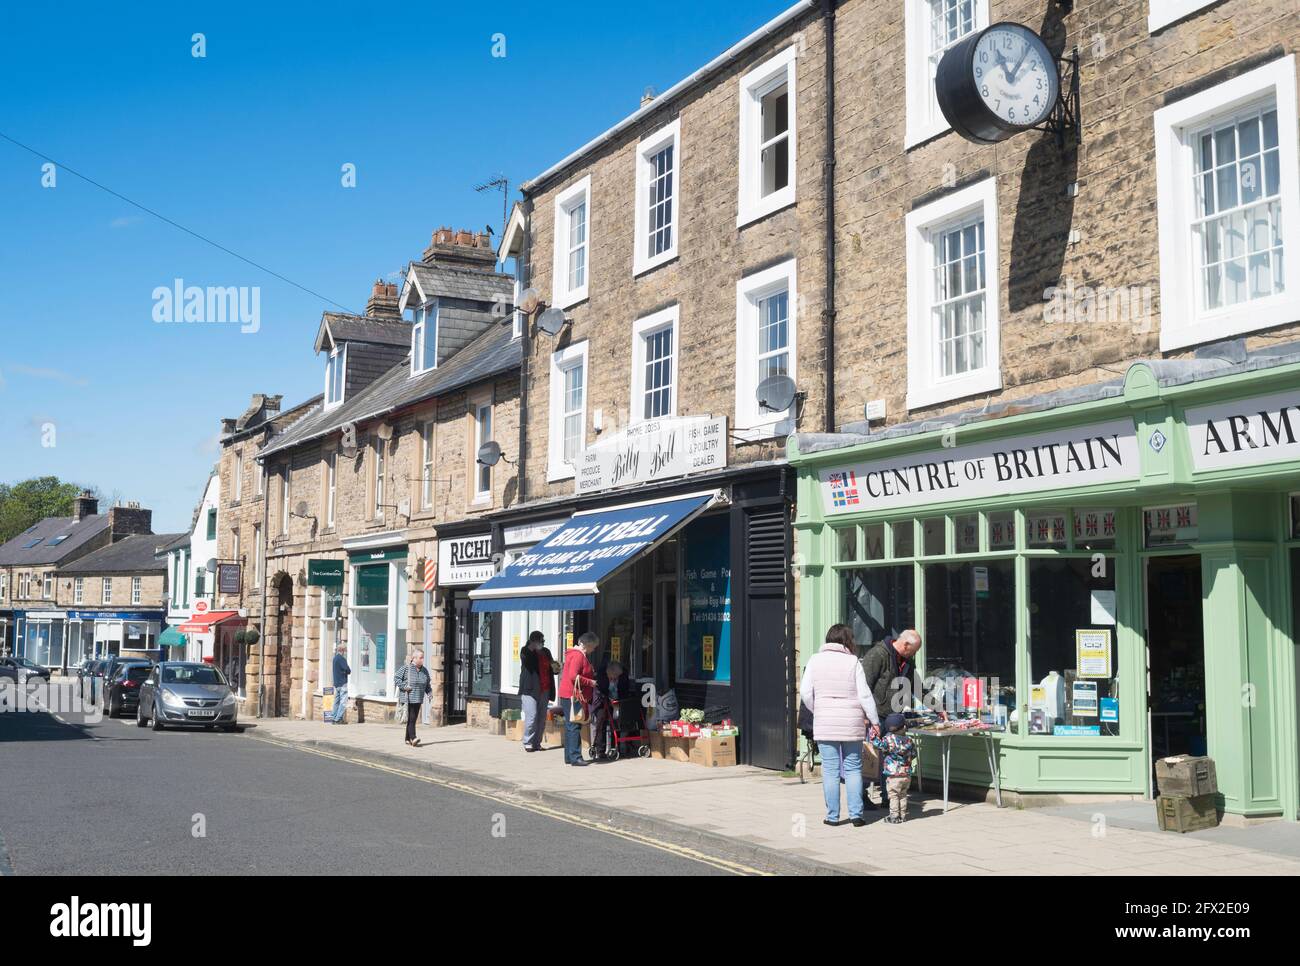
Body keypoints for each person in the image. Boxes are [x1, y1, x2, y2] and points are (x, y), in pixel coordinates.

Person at [799, 623, 881, 827]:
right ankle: (856, 815)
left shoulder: (815, 660)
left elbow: (805, 693)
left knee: (831, 770)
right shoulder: (853, 662)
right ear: (847, 641)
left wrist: (818, 708)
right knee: (853, 769)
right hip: (851, 723)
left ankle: (832, 817)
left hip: (825, 722)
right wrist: (874, 720)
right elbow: (864, 694)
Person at [860, 629, 922, 810]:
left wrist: (938, 707)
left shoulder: (907, 661)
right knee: (871, 757)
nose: (915, 654)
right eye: (914, 650)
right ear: (906, 645)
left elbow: (917, 687)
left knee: (891, 759)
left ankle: (889, 797)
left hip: (894, 718)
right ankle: (861, 796)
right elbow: (863, 685)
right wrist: (865, 715)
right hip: (876, 715)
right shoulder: (878, 654)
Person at [558, 632, 599, 766]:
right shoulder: (578, 656)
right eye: (593, 647)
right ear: (588, 644)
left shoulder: (575, 654)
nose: (594, 650)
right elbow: (573, 676)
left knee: (571, 725)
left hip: (569, 694)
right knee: (574, 725)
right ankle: (575, 757)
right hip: (573, 695)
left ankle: (569, 757)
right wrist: (590, 682)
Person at [869, 713, 918, 824]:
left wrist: (873, 736)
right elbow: (914, 754)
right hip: (906, 774)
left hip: (893, 774)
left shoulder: (888, 740)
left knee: (893, 795)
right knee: (903, 795)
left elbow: (877, 744)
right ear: (904, 727)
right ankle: (903, 815)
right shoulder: (909, 741)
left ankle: (894, 816)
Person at [519, 630, 557, 752]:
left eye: (543, 641)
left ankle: (537, 743)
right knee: (532, 715)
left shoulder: (546, 652)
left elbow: (552, 666)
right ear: (533, 641)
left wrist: (556, 666)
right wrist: (532, 647)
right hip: (530, 689)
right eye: (541, 641)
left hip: (545, 688)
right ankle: (528, 741)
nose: (542, 643)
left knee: (541, 717)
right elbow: (527, 663)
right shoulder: (525, 651)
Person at [590, 660, 634, 760]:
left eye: (617, 676)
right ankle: (600, 750)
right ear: (608, 672)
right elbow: (599, 690)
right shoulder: (602, 674)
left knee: (618, 722)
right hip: (602, 700)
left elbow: (624, 691)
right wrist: (607, 700)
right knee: (601, 722)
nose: (615, 678)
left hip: (617, 701)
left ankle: (617, 747)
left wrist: (618, 702)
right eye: (614, 675)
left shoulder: (622, 675)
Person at [394, 648, 432, 747]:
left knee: (412, 719)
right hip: (408, 698)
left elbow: (427, 683)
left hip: (418, 698)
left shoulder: (424, 671)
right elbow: (396, 678)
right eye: (421, 658)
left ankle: (407, 738)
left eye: (423, 658)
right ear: (414, 658)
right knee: (412, 718)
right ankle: (413, 737)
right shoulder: (406, 668)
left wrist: (429, 692)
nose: (422, 660)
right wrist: (404, 687)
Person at [329, 643, 351, 724]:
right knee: (343, 702)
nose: (345, 652)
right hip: (342, 683)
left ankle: (334, 717)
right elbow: (348, 670)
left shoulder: (335, 658)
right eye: (345, 650)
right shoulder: (341, 659)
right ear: (342, 650)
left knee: (336, 701)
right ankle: (338, 719)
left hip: (337, 683)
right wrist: (347, 670)